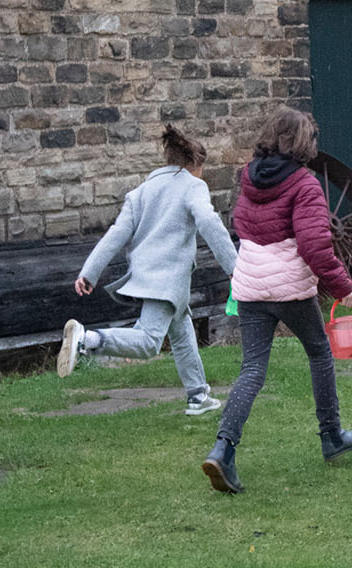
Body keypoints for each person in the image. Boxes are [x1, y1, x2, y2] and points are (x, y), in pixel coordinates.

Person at [201, 107, 352, 494]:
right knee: (320, 352)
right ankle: (331, 436)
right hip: (289, 286)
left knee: (253, 368)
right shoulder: (305, 184)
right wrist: (342, 286)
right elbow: (314, 245)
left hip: (251, 285)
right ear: (305, 142)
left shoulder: (249, 176)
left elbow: (240, 225)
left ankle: (223, 449)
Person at [56, 126, 237, 416]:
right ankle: (88, 340)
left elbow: (117, 234)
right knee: (149, 343)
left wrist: (89, 272)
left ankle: (198, 395)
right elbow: (210, 223)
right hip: (167, 280)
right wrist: (234, 267)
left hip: (148, 277)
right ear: (195, 165)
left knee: (181, 331)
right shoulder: (193, 185)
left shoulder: (141, 192)